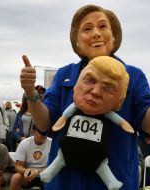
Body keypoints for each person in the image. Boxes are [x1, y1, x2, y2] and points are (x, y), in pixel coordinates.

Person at [19, 4, 150, 190]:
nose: (96, 33)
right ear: (77, 41)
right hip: (65, 182)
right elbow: (45, 124)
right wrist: (30, 92)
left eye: (102, 26)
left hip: (114, 182)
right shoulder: (65, 74)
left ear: (114, 37)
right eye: (87, 29)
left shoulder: (133, 76)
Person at [40, 56, 134, 190]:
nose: (95, 91)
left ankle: (111, 182)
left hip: (97, 155)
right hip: (68, 150)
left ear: (119, 101)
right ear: (76, 86)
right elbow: (63, 116)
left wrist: (124, 124)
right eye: (90, 80)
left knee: (101, 165)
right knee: (61, 158)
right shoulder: (74, 107)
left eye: (108, 87)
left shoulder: (106, 113)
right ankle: (50, 172)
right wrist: (62, 119)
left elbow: (119, 120)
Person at [9, 125, 52, 190]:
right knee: (16, 177)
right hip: (28, 175)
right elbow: (18, 166)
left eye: (46, 132)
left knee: (53, 177)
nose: (44, 134)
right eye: (41, 132)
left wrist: (37, 172)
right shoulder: (25, 143)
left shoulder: (52, 143)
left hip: (44, 174)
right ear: (33, 131)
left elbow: (52, 167)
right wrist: (26, 171)